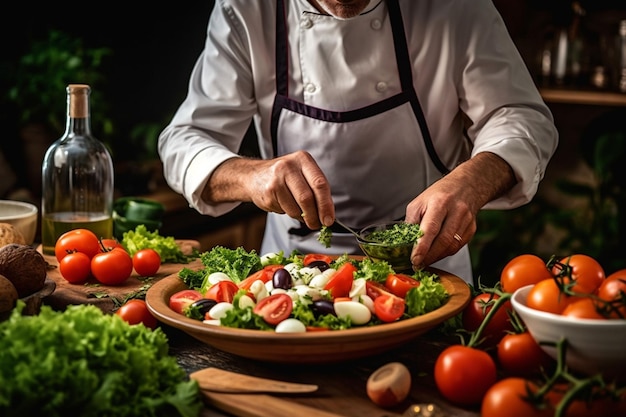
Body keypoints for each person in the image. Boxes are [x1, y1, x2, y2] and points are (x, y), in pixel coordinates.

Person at [158, 0, 558, 284]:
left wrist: (469, 182)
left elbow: (522, 117)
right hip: (289, 281)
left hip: (425, 275)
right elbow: (185, 141)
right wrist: (253, 176)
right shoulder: (247, 9)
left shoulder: (456, 8)